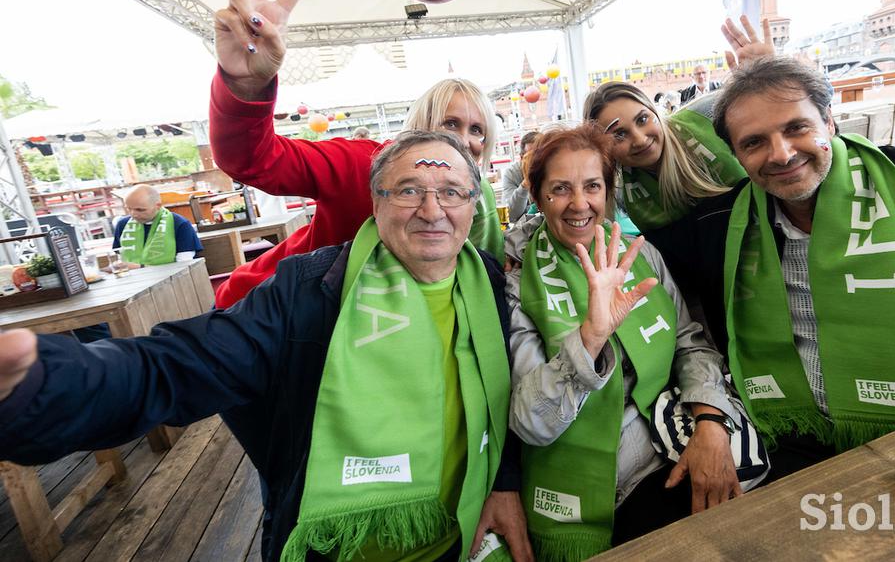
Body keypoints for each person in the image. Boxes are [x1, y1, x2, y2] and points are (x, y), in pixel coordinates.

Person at [0, 131, 532, 562]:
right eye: (409, 190)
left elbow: (499, 398)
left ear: (473, 203)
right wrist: (40, 385)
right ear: (376, 202)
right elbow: (177, 366)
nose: (432, 209)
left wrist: (504, 482)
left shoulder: (487, 281)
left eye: (452, 192)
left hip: (461, 540)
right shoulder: (310, 288)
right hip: (335, 548)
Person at [647, 56, 895, 480]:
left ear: (829, 121)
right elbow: (633, 252)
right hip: (794, 445)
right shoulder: (720, 223)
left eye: (796, 127)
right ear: (736, 154)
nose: (782, 154)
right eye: (754, 142)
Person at [209, 0, 504, 308]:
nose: (465, 140)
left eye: (477, 129)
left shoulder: (477, 202)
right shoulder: (362, 165)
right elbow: (252, 160)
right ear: (420, 127)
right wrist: (246, 84)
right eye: (450, 124)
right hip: (271, 317)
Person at [504, 124, 748, 559]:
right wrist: (592, 337)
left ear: (608, 192)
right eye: (560, 189)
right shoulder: (517, 279)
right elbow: (531, 424)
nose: (580, 204)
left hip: (669, 448)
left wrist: (712, 422)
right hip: (586, 484)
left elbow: (689, 345)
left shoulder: (640, 254)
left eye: (592, 186)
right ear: (538, 196)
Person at [585, 16, 773, 233]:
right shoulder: (618, 191)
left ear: (655, 112)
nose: (639, 138)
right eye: (619, 134)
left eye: (643, 119)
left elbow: (781, 126)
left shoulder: (708, 113)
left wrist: (768, 80)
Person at [112, 184, 203, 268]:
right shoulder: (122, 225)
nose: (133, 214)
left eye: (140, 210)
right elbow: (121, 259)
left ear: (158, 206)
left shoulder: (179, 224)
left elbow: (184, 267)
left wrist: (140, 268)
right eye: (129, 209)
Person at [500, 131, 540, 223]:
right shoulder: (512, 173)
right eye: (532, 156)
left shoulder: (553, 169)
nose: (539, 160)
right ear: (522, 158)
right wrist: (525, 184)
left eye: (542, 153)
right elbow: (512, 215)